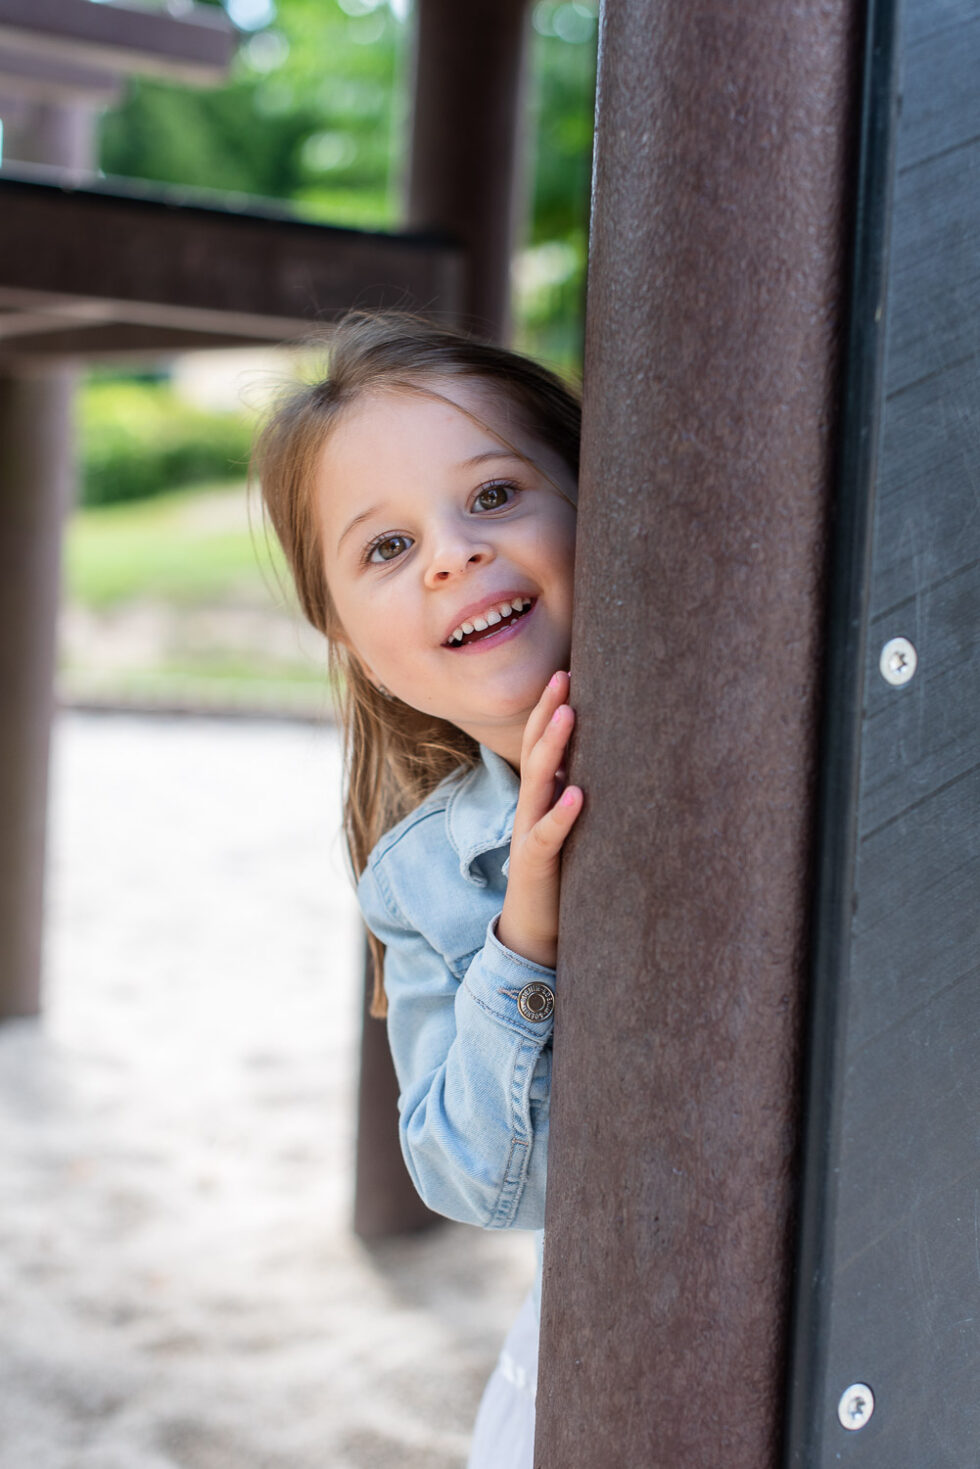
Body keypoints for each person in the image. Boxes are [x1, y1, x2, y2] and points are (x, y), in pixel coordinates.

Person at [253, 312, 583, 1466]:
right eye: (384, 548)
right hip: (616, 1300)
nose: (449, 553)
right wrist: (524, 929)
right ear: (344, 634)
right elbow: (482, 1183)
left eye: (493, 496)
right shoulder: (424, 876)